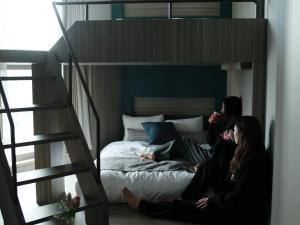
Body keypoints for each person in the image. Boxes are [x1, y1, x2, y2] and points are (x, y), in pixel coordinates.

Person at [122, 116, 272, 225]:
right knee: (210, 164)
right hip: (227, 198)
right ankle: (187, 197)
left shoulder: (253, 162)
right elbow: (222, 160)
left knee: (178, 208)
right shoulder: (247, 152)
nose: (233, 132)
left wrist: (211, 200)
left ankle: (141, 205)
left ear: (244, 134)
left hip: (230, 213)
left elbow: (239, 198)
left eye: (236, 129)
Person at [182, 96, 242, 199]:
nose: (221, 111)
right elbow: (210, 142)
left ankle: (187, 197)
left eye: (223, 108)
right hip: (212, 155)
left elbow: (223, 154)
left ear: (229, 109)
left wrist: (224, 140)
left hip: (214, 159)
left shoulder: (234, 131)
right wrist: (212, 125)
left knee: (183, 142)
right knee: (183, 141)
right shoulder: (226, 125)